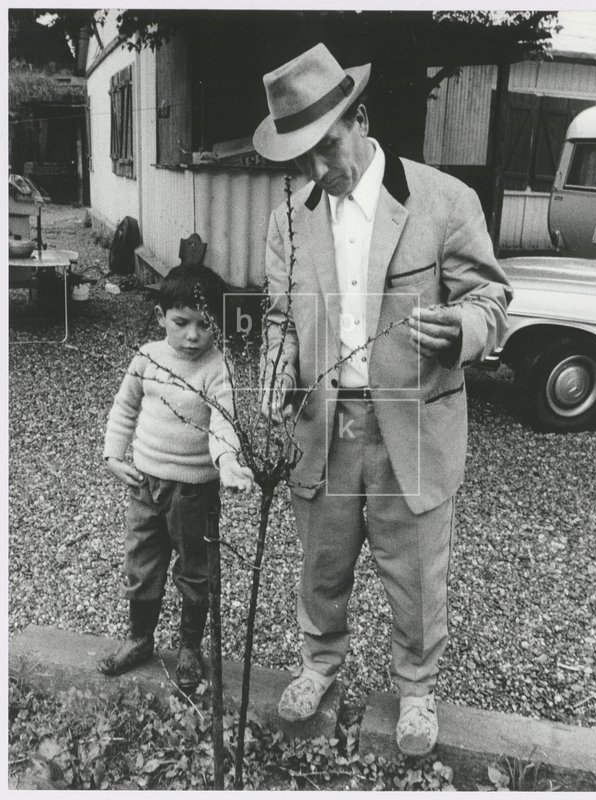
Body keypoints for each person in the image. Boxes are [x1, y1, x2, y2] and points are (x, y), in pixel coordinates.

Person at [254, 43, 512, 756]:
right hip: (325, 424)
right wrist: (277, 367)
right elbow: (279, 316)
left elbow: (493, 302)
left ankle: (417, 690)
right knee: (322, 564)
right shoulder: (289, 220)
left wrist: (461, 326)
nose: (315, 169)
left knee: (416, 571)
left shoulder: (443, 201)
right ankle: (319, 665)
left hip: (414, 425)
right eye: (299, 155)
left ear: (359, 118)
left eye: (325, 147)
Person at [99, 265, 253, 692]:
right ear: (160, 315)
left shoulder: (217, 368)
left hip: (193, 491)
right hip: (144, 484)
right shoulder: (147, 357)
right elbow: (125, 407)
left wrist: (226, 463)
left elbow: (224, 423)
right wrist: (113, 453)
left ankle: (189, 646)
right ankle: (139, 638)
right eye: (180, 322)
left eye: (205, 325)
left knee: (194, 569)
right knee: (141, 561)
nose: (192, 335)